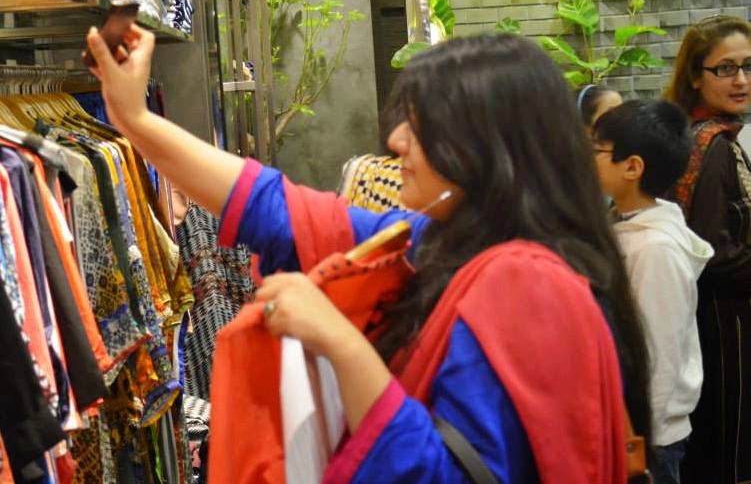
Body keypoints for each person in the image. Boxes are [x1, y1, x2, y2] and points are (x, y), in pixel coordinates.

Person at [85, 26, 651, 483]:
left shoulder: (527, 285)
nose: (396, 142)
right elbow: (275, 209)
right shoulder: (445, 242)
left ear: (487, 148)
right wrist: (134, 119)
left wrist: (339, 341)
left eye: (421, 127)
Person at [592, 100, 713, 484]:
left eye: (598, 150)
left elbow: (659, 353)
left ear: (632, 167)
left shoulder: (656, 249)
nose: (589, 158)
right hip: (628, 422)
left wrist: (643, 436)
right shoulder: (621, 223)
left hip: (652, 434)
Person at [664, 15, 751, 484]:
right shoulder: (712, 144)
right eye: (725, 68)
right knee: (731, 451)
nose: (740, 80)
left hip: (708, 318)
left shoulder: (695, 133)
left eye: (748, 66)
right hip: (724, 321)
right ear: (695, 76)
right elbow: (714, 253)